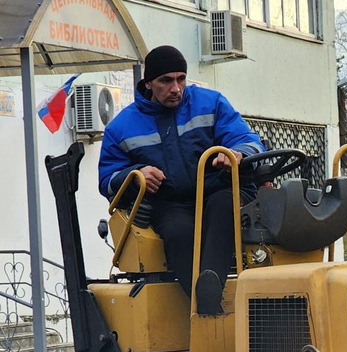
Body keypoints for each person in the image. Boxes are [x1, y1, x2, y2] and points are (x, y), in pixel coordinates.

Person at [98, 45, 264, 315]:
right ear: (149, 83)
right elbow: (107, 179)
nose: (175, 88)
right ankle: (207, 304)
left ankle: (209, 286)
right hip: (169, 204)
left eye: (181, 79)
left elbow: (247, 141)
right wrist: (136, 175)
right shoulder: (121, 127)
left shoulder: (211, 103)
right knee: (177, 232)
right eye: (166, 81)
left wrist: (236, 154)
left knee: (224, 206)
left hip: (216, 192)